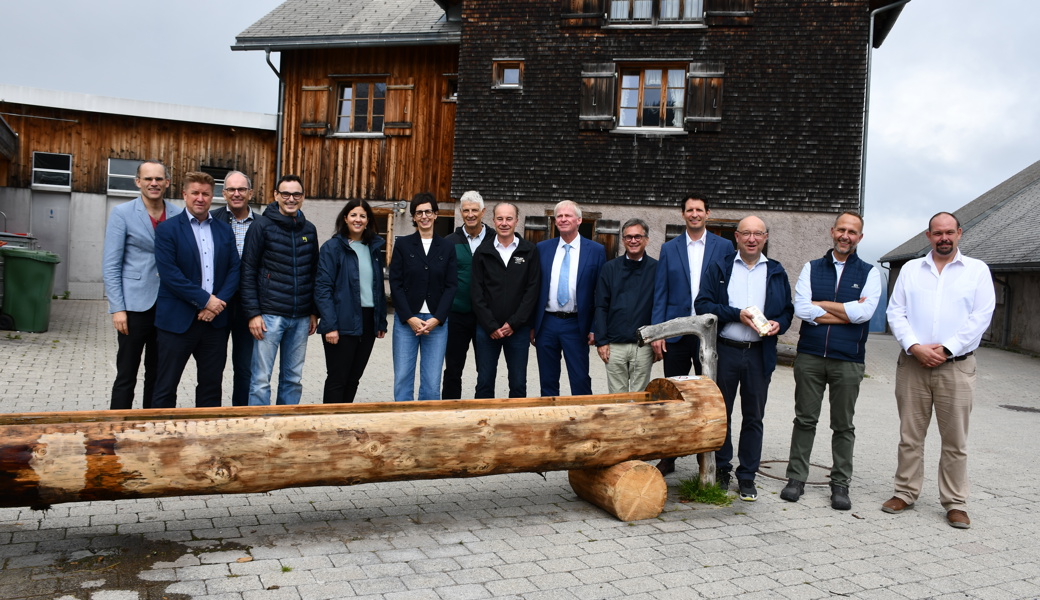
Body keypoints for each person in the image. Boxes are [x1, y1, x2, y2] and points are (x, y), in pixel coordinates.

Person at [883, 212, 995, 529]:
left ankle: (955, 503)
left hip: (956, 367)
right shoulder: (910, 270)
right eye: (937, 233)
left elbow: (981, 317)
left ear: (959, 233)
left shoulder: (977, 271)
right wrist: (915, 346)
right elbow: (896, 312)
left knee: (955, 440)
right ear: (928, 235)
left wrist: (946, 349)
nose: (943, 238)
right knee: (910, 436)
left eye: (949, 232)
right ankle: (904, 493)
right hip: (913, 364)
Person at [780, 212, 882, 510]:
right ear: (832, 231)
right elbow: (801, 308)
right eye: (841, 229)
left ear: (859, 237)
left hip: (848, 361)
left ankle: (840, 484)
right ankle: (796, 478)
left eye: (852, 232)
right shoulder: (811, 267)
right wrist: (844, 312)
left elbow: (863, 315)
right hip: (810, 356)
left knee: (843, 425)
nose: (845, 236)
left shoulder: (869, 273)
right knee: (804, 420)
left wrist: (821, 305)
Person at [695, 215, 793, 501]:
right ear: (736, 237)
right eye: (746, 233)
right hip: (726, 351)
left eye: (758, 234)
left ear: (765, 238)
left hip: (759, 354)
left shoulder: (775, 271)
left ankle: (747, 475)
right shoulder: (721, 267)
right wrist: (735, 313)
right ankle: (723, 469)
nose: (752, 239)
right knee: (721, 415)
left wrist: (779, 325)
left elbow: (787, 311)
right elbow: (702, 304)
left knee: (754, 417)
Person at [650, 195, 731, 474]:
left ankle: (707, 457)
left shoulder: (724, 246)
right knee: (672, 396)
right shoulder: (669, 248)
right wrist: (658, 332)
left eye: (699, 210)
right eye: (689, 210)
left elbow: (726, 290)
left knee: (708, 397)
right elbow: (660, 291)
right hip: (676, 334)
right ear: (683, 214)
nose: (694, 214)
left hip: (710, 332)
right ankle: (668, 457)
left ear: (708, 213)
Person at [152, 172, 240, 409]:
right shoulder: (167, 230)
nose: (200, 198)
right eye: (195, 193)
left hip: (215, 324)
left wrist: (217, 303)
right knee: (165, 386)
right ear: (185, 195)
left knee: (211, 387)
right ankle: (161, 439)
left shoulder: (224, 230)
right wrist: (205, 301)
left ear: (213, 197)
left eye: (205, 194)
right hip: (177, 322)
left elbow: (234, 270)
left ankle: (208, 438)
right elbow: (170, 275)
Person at [102, 160, 182, 410]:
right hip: (134, 307)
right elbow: (111, 265)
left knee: (158, 374)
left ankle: (150, 427)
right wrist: (117, 308)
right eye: (148, 179)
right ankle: (117, 429)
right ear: (138, 182)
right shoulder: (122, 213)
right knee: (126, 374)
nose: (154, 183)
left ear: (167, 183)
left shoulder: (179, 214)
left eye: (159, 179)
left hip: (168, 306)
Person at [240, 174, 319, 406]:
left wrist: (314, 311)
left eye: (296, 194)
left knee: (293, 379)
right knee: (261, 379)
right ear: (276, 196)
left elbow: (314, 273)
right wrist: (253, 313)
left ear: (303, 197)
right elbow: (248, 271)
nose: (290, 199)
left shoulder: (310, 230)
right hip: (269, 316)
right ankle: (259, 429)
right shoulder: (260, 226)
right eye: (285, 194)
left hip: (301, 317)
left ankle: (287, 428)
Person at [315, 199, 388, 404]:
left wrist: (380, 321)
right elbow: (323, 289)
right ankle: (331, 426)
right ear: (345, 218)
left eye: (362, 216)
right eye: (354, 215)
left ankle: (344, 421)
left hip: (367, 321)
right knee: (338, 378)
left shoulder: (373, 248)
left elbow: (377, 287)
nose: (358, 219)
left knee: (354, 378)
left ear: (368, 221)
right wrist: (330, 325)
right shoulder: (332, 248)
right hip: (341, 320)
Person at [389, 193, 458, 401]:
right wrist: (409, 317)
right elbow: (396, 283)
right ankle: (402, 422)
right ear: (414, 217)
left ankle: (427, 427)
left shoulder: (447, 247)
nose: (424, 216)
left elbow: (451, 285)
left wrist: (438, 318)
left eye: (428, 211)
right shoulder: (403, 245)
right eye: (419, 212)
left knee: (432, 381)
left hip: (436, 323)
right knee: (402, 377)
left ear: (436, 215)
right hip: (407, 321)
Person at [533, 200, 605, 396]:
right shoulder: (542, 249)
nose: (563, 219)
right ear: (555, 221)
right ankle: (551, 420)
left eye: (568, 215)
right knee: (547, 379)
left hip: (576, 324)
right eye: (559, 216)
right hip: (546, 323)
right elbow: (534, 288)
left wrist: (594, 327)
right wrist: (532, 325)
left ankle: (583, 422)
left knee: (580, 378)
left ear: (579, 220)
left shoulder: (595, 251)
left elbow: (601, 293)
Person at [471, 203, 541, 399]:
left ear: (516, 221)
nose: (504, 223)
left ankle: (516, 427)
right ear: (493, 221)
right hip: (487, 330)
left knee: (518, 383)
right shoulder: (482, 251)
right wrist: (491, 325)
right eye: (500, 219)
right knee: (484, 382)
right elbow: (477, 292)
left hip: (518, 330)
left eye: (509, 219)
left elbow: (532, 291)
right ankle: (483, 425)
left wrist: (514, 323)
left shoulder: (529, 251)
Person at [210, 171, 261, 407]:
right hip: (217, 305)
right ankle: (213, 416)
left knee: (245, 368)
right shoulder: (210, 220)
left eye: (242, 189)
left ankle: (240, 414)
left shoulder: (263, 224)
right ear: (224, 193)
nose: (237, 194)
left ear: (250, 193)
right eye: (231, 189)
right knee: (212, 366)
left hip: (249, 307)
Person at [593, 219, 659, 393]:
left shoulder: (656, 269)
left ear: (647, 239)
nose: (633, 240)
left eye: (638, 236)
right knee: (617, 398)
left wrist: (658, 337)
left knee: (640, 397)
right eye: (628, 237)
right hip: (615, 345)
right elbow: (600, 306)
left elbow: (660, 306)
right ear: (623, 240)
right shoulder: (609, 268)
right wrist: (601, 341)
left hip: (643, 345)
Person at [441, 190, 492, 399]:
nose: (470, 214)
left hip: (485, 317)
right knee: (453, 368)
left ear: (483, 212)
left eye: (474, 210)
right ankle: (450, 411)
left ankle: (483, 411)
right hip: (457, 315)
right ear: (461, 212)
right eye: (466, 210)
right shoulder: (449, 242)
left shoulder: (495, 240)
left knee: (485, 370)